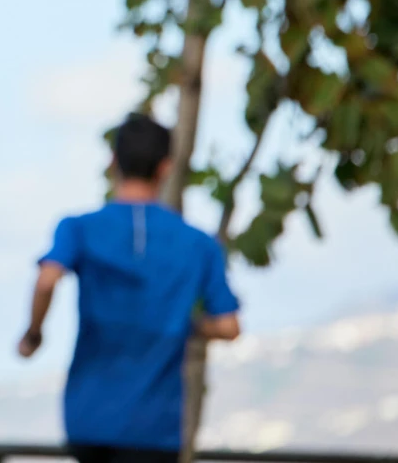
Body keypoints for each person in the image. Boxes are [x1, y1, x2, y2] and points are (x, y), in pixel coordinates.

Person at [18, 113, 242, 463]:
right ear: (165, 168)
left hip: (88, 420)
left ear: (113, 162)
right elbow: (229, 326)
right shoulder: (199, 245)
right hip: (154, 429)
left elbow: (47, 279)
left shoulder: (79, 228)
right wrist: (184, 325)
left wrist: (33, 334)